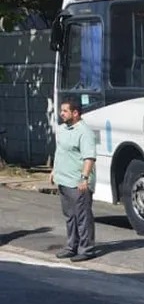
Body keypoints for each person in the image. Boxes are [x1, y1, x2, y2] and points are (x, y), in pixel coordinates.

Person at [50, 96, 98, 261]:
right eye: (61, 110)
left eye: (65, 111)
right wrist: (54, 172)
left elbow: (89, 158)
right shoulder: (63, 129)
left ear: (75, 113)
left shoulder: (84, 132)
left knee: (82, 217)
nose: (61, 113)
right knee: (70, 216)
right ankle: (72, 246)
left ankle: (86, 249)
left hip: (78, 183)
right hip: (63, 180)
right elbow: (60, 152)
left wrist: (84, 178)